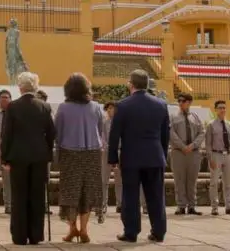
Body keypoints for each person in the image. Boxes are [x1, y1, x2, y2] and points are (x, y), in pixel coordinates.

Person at [109, 69, 170, 243]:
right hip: (154, 156)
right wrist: (162, 155)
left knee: (130, 195)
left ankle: (131, 231)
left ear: (131, 84)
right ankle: (159, 231)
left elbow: (115, 134)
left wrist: (113, 158)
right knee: (156, 196)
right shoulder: (161, 105)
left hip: (131, 158)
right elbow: (165, 135)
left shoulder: (123, 105)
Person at [1, 72, 55, 246]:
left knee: (19, 195)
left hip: (18, 157)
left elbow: (6, 134)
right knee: (37, 196)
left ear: (20, 87)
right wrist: (47, 152)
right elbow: (51, 133)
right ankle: (35, 235)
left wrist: (5, 158)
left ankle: (19, 235)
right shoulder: (44, 107)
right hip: (39, 157)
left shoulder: (13, 107)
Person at [55, 73, 103, 244]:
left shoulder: (63, 108)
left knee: (70, 191)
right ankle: (84, 229)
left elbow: (58, 134)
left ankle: (72, 228)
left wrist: (57, 155)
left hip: (70, 153)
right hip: (92, 152)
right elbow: (100, 131)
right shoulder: (96, 107)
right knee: (88, 190)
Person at [99, 102, 147, 223]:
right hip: (106, 151)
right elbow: (102, 136)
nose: (111, 111)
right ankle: (102, 204)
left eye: (113, 108)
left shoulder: (121, 122)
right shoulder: (104, 122)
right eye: (109, 109)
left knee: (119, 180)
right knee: (104, 179)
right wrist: (106, 146)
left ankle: (119, 203)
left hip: (120, 151)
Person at [169, 93, 205, 215]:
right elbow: (171, 133)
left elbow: (202, 133)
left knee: (192, 180)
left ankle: (192, 206)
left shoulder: (195, 117)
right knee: (179, 180)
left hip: (193, 153)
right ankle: (181, 205)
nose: (180, 103)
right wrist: (182, 146)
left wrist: (193, 145)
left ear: (189, 102)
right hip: (178, 152)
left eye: (183, 101)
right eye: (179, 101)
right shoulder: (173, 117)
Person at [206, 100, 230, 216]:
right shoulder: (211, 125)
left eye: (224, 108)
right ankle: (214, 207)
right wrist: (210, 159)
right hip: (216, 155)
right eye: (220, 108)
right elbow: (208, 144)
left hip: (229, 155)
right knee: (214, 182)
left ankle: (229, 207)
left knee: (228, 183)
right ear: (215, 110)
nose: (222, 110)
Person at [35, 89, 54, 215]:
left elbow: (51, 133)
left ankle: (45, 205)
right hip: (32, 151)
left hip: (44, 151)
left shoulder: (48, 114)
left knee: (45, 179)